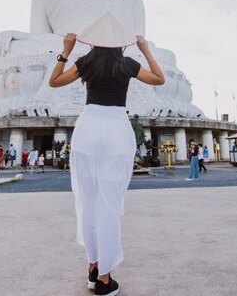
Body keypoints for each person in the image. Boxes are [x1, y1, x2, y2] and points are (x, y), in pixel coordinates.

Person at [48, 15, 164, 296]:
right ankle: (104, 279)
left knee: (87, 198)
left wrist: (66, 50)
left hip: (88, 128)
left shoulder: (86, 62)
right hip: (115, 129)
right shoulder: (126, 63)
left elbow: (54, 81)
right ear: (119, 44)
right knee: (109, 202)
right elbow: (159, 79)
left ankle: (93, 267)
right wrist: (146, 50)